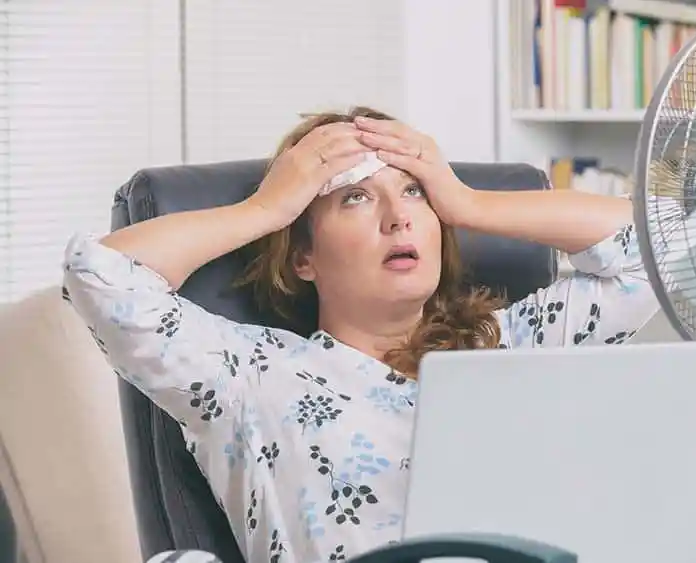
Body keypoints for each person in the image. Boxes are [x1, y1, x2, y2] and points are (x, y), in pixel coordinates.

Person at [63, 106, 660, 563]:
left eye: (412, 192)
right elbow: (101, 277)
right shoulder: (246, 376)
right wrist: (268, 209)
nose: (398, 216)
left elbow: (663, 253)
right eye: (355, 197)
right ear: (304, 258)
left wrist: (465, 200)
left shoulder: (511, 343)